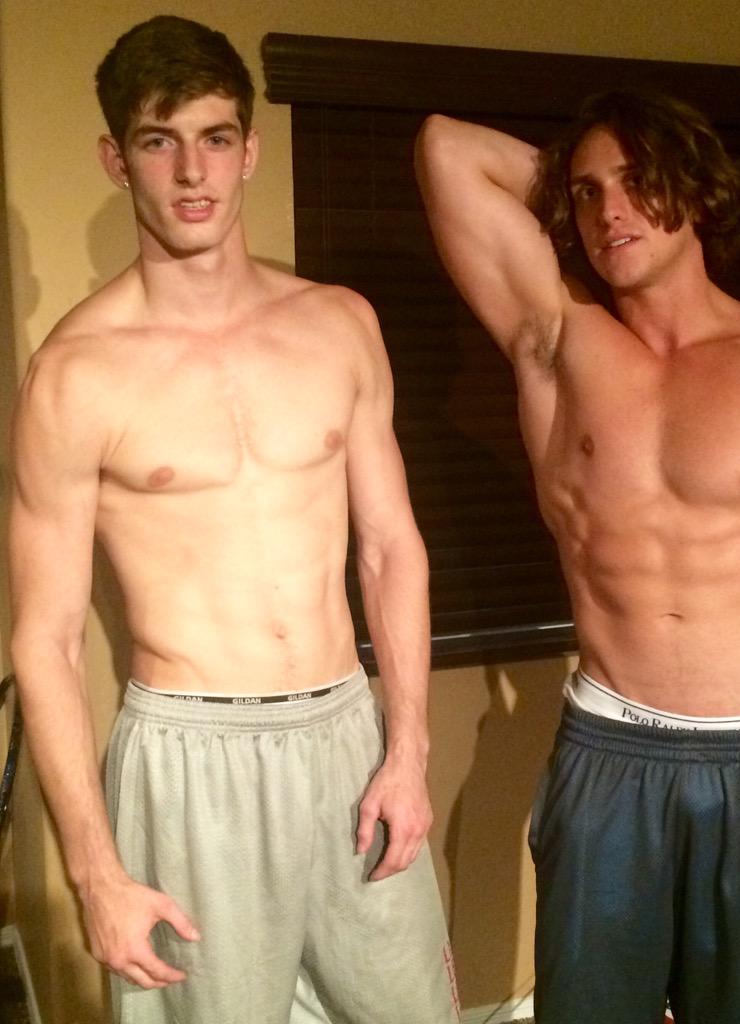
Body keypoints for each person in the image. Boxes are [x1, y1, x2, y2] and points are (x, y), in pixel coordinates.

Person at [416, 90, 740, 1023]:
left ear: (696, 189)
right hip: (609, 750)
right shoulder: (557, 339)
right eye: (588, 193)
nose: (611, 211)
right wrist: (575, 186)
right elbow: (446, 150)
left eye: (639, 182)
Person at [9, 16, 459, 1024]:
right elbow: (43, 637)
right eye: (158, 141)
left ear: (249, 149)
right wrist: (95, 872)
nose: (191, 172)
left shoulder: (339, 324)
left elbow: (390, 549)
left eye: (214, 138)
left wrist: (408, 749)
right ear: (116, 159)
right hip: (188, 757)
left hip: (347, 735)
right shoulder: (74, 376)